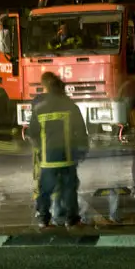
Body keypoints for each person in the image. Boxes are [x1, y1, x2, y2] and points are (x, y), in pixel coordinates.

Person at [26, 72, 89, 228]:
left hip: (47, 159)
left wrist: (39, 149)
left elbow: (32, 133)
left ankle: (43, 219)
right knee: (69, 189)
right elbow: (81, 131)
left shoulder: (40, 109)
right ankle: (71, 219)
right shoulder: (71, 107)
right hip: (67, 156)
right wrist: (81, 151)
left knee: (45, 190)